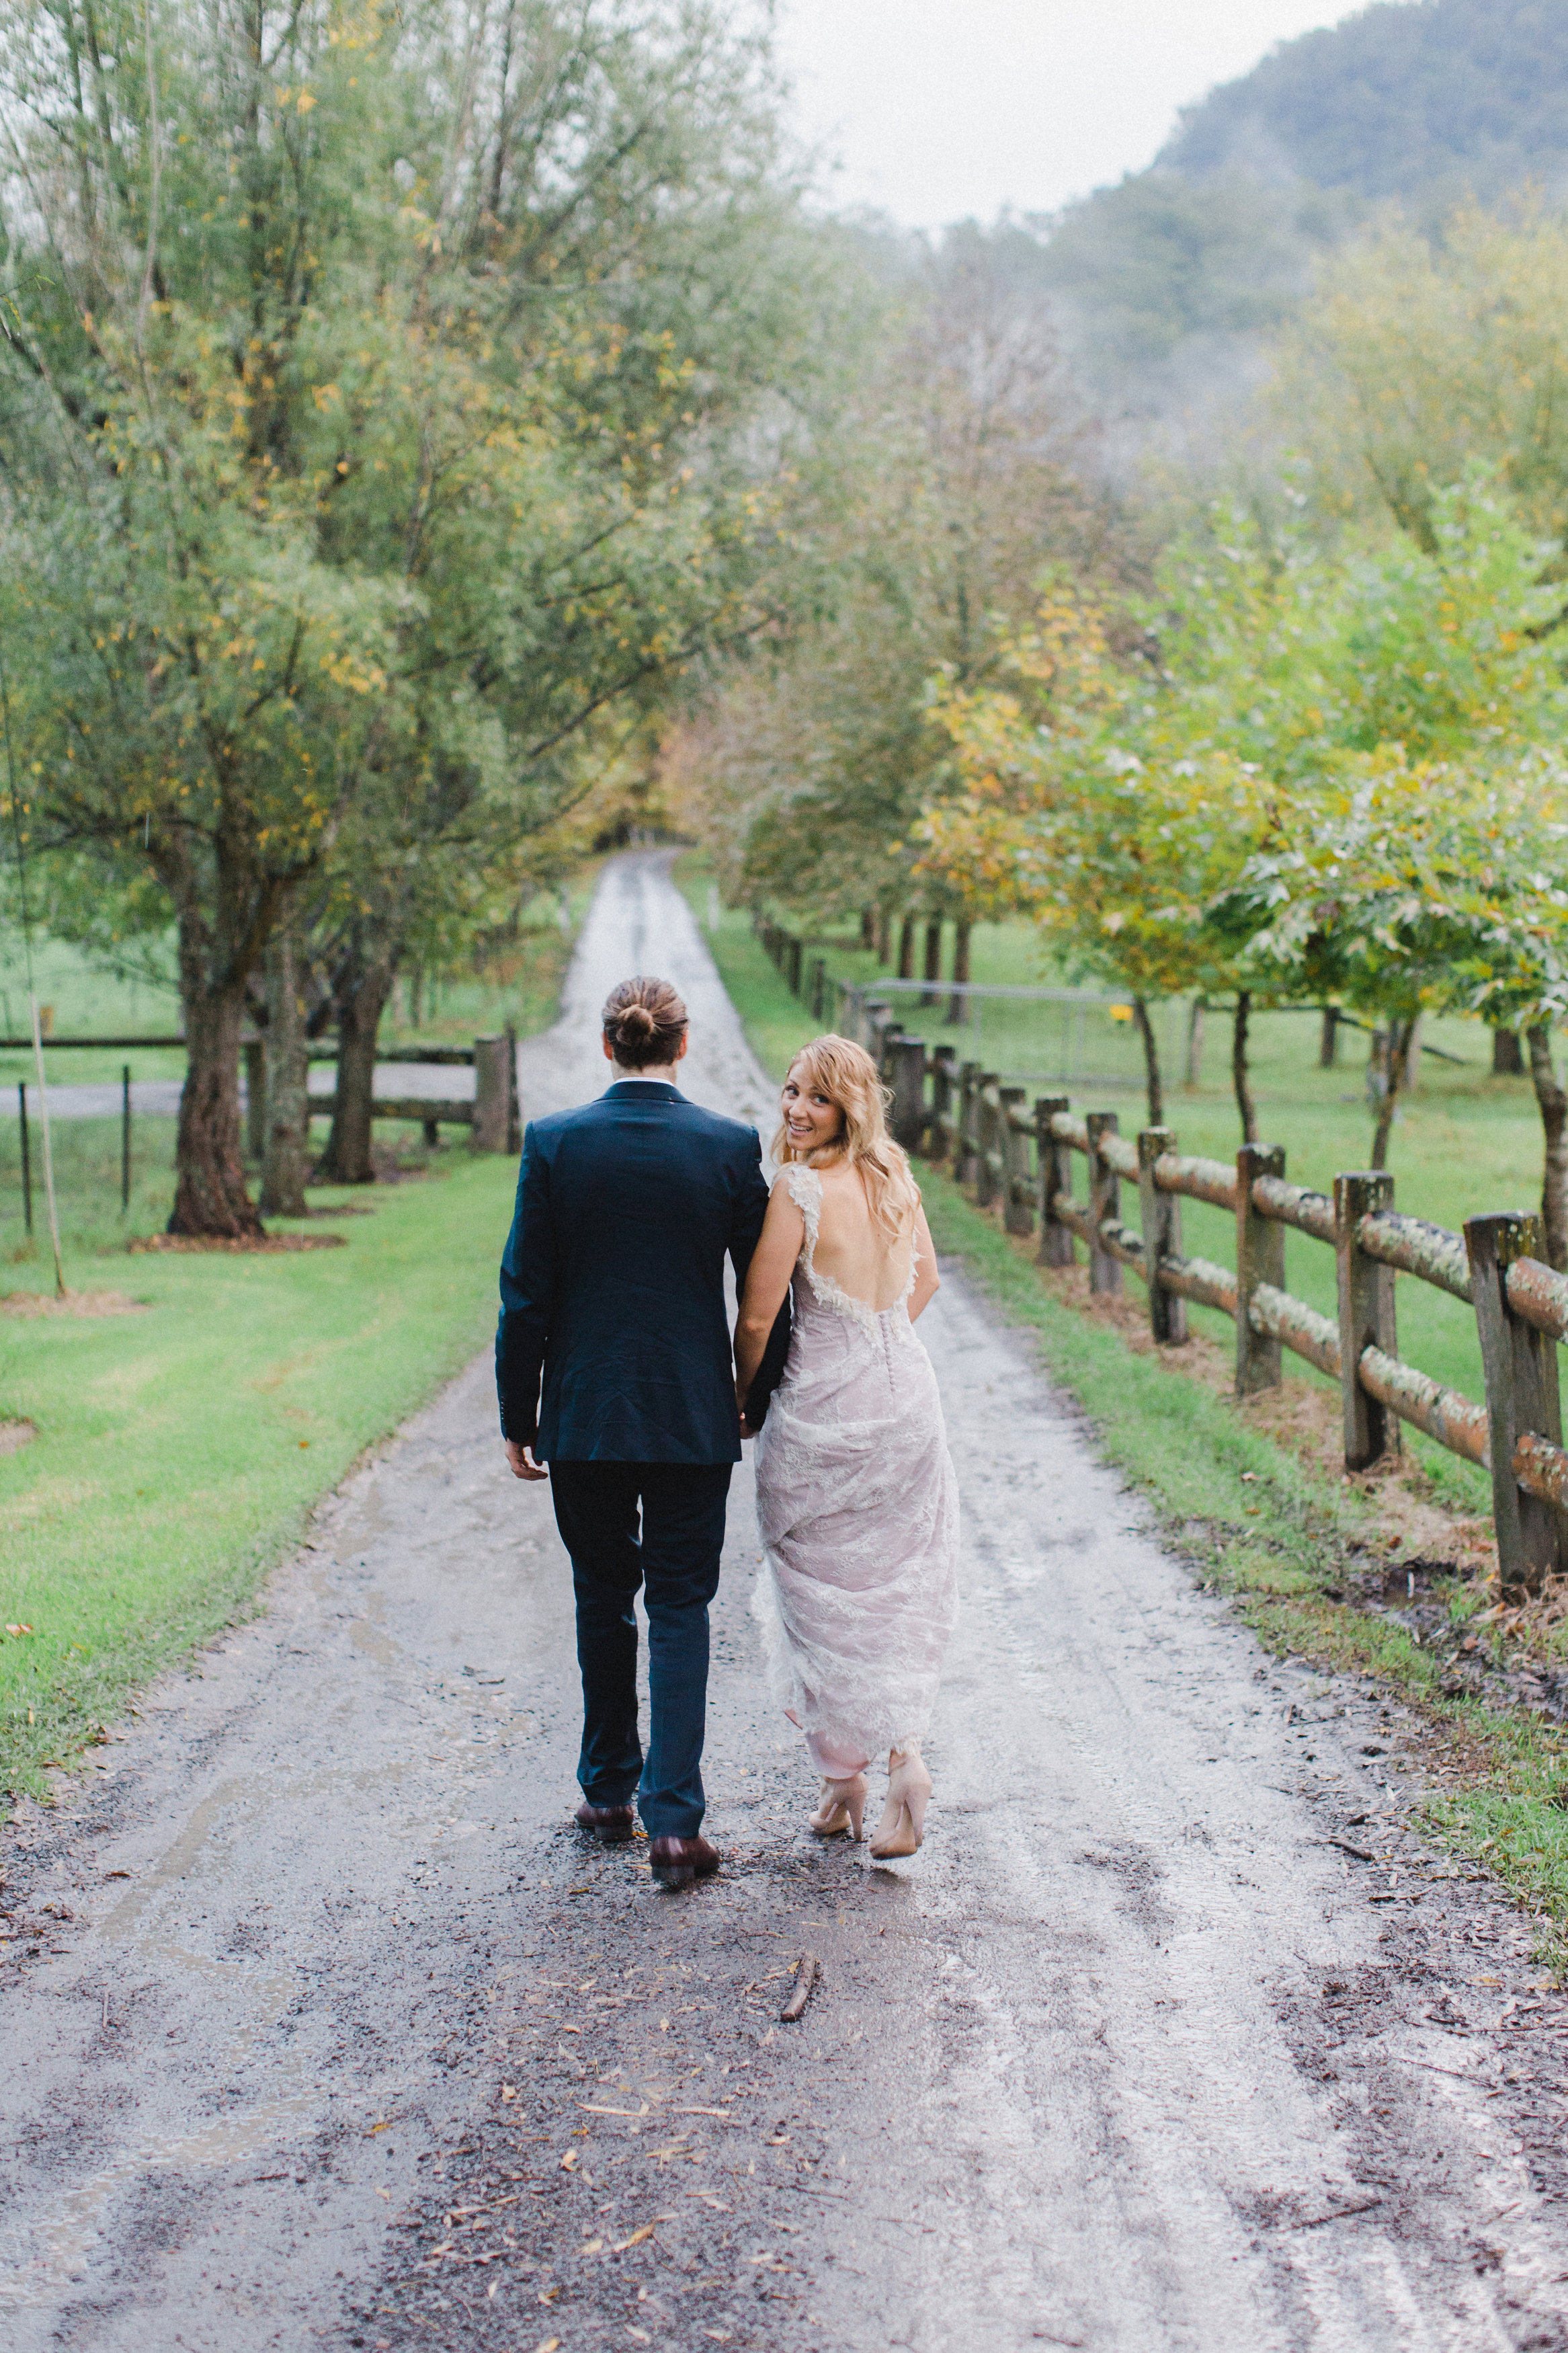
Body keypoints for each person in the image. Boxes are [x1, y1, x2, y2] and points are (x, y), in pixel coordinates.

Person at [496, 975, 772, 1890]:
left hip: (586, 1414)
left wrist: (518, 1416)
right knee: (681, 1605)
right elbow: (764, 1293)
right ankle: (675, 1823)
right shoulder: (730, 1148)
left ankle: (609, 1790)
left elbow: (525, 1298)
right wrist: (750, 1395)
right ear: (681, 1046)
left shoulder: (555, 1144)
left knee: (602, 1596)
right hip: (695, 1418)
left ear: (608, 1046)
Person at [734, 1034, 959, 1860]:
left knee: (814, 1591)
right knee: (892, 1587)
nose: (796, 1109)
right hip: (906, 1399)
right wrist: (881, 1351)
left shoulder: (798, 1189)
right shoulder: (893, 1176)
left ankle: (870, 1771)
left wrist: (739, 1398)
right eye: (791, 1090)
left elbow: (757, 1319)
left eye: (817, 1098)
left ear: (849, 1107)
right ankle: (862, 1779)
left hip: (821, 1406)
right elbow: (923, 1282)